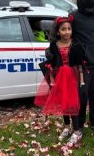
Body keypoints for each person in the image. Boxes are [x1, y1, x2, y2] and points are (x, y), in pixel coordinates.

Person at [34, 16, 84, 146]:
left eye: (69, 29)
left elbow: (80, 65)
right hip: (59, 77)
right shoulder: (54, 46)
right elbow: (51, 64)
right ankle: (67, 127)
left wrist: (82, 80)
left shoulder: (76, 44)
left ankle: (77, 131)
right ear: (57, 32)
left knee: (72, 104)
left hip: (73, 78)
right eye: (63, 29)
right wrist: (52, 80)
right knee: (63, 103)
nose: (66, 32)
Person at [71, 0, 94, 135]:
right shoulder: (73, 17)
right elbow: (63, 34)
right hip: (80, 64)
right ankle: (80, 123)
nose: (90, 3)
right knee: (81, 95)